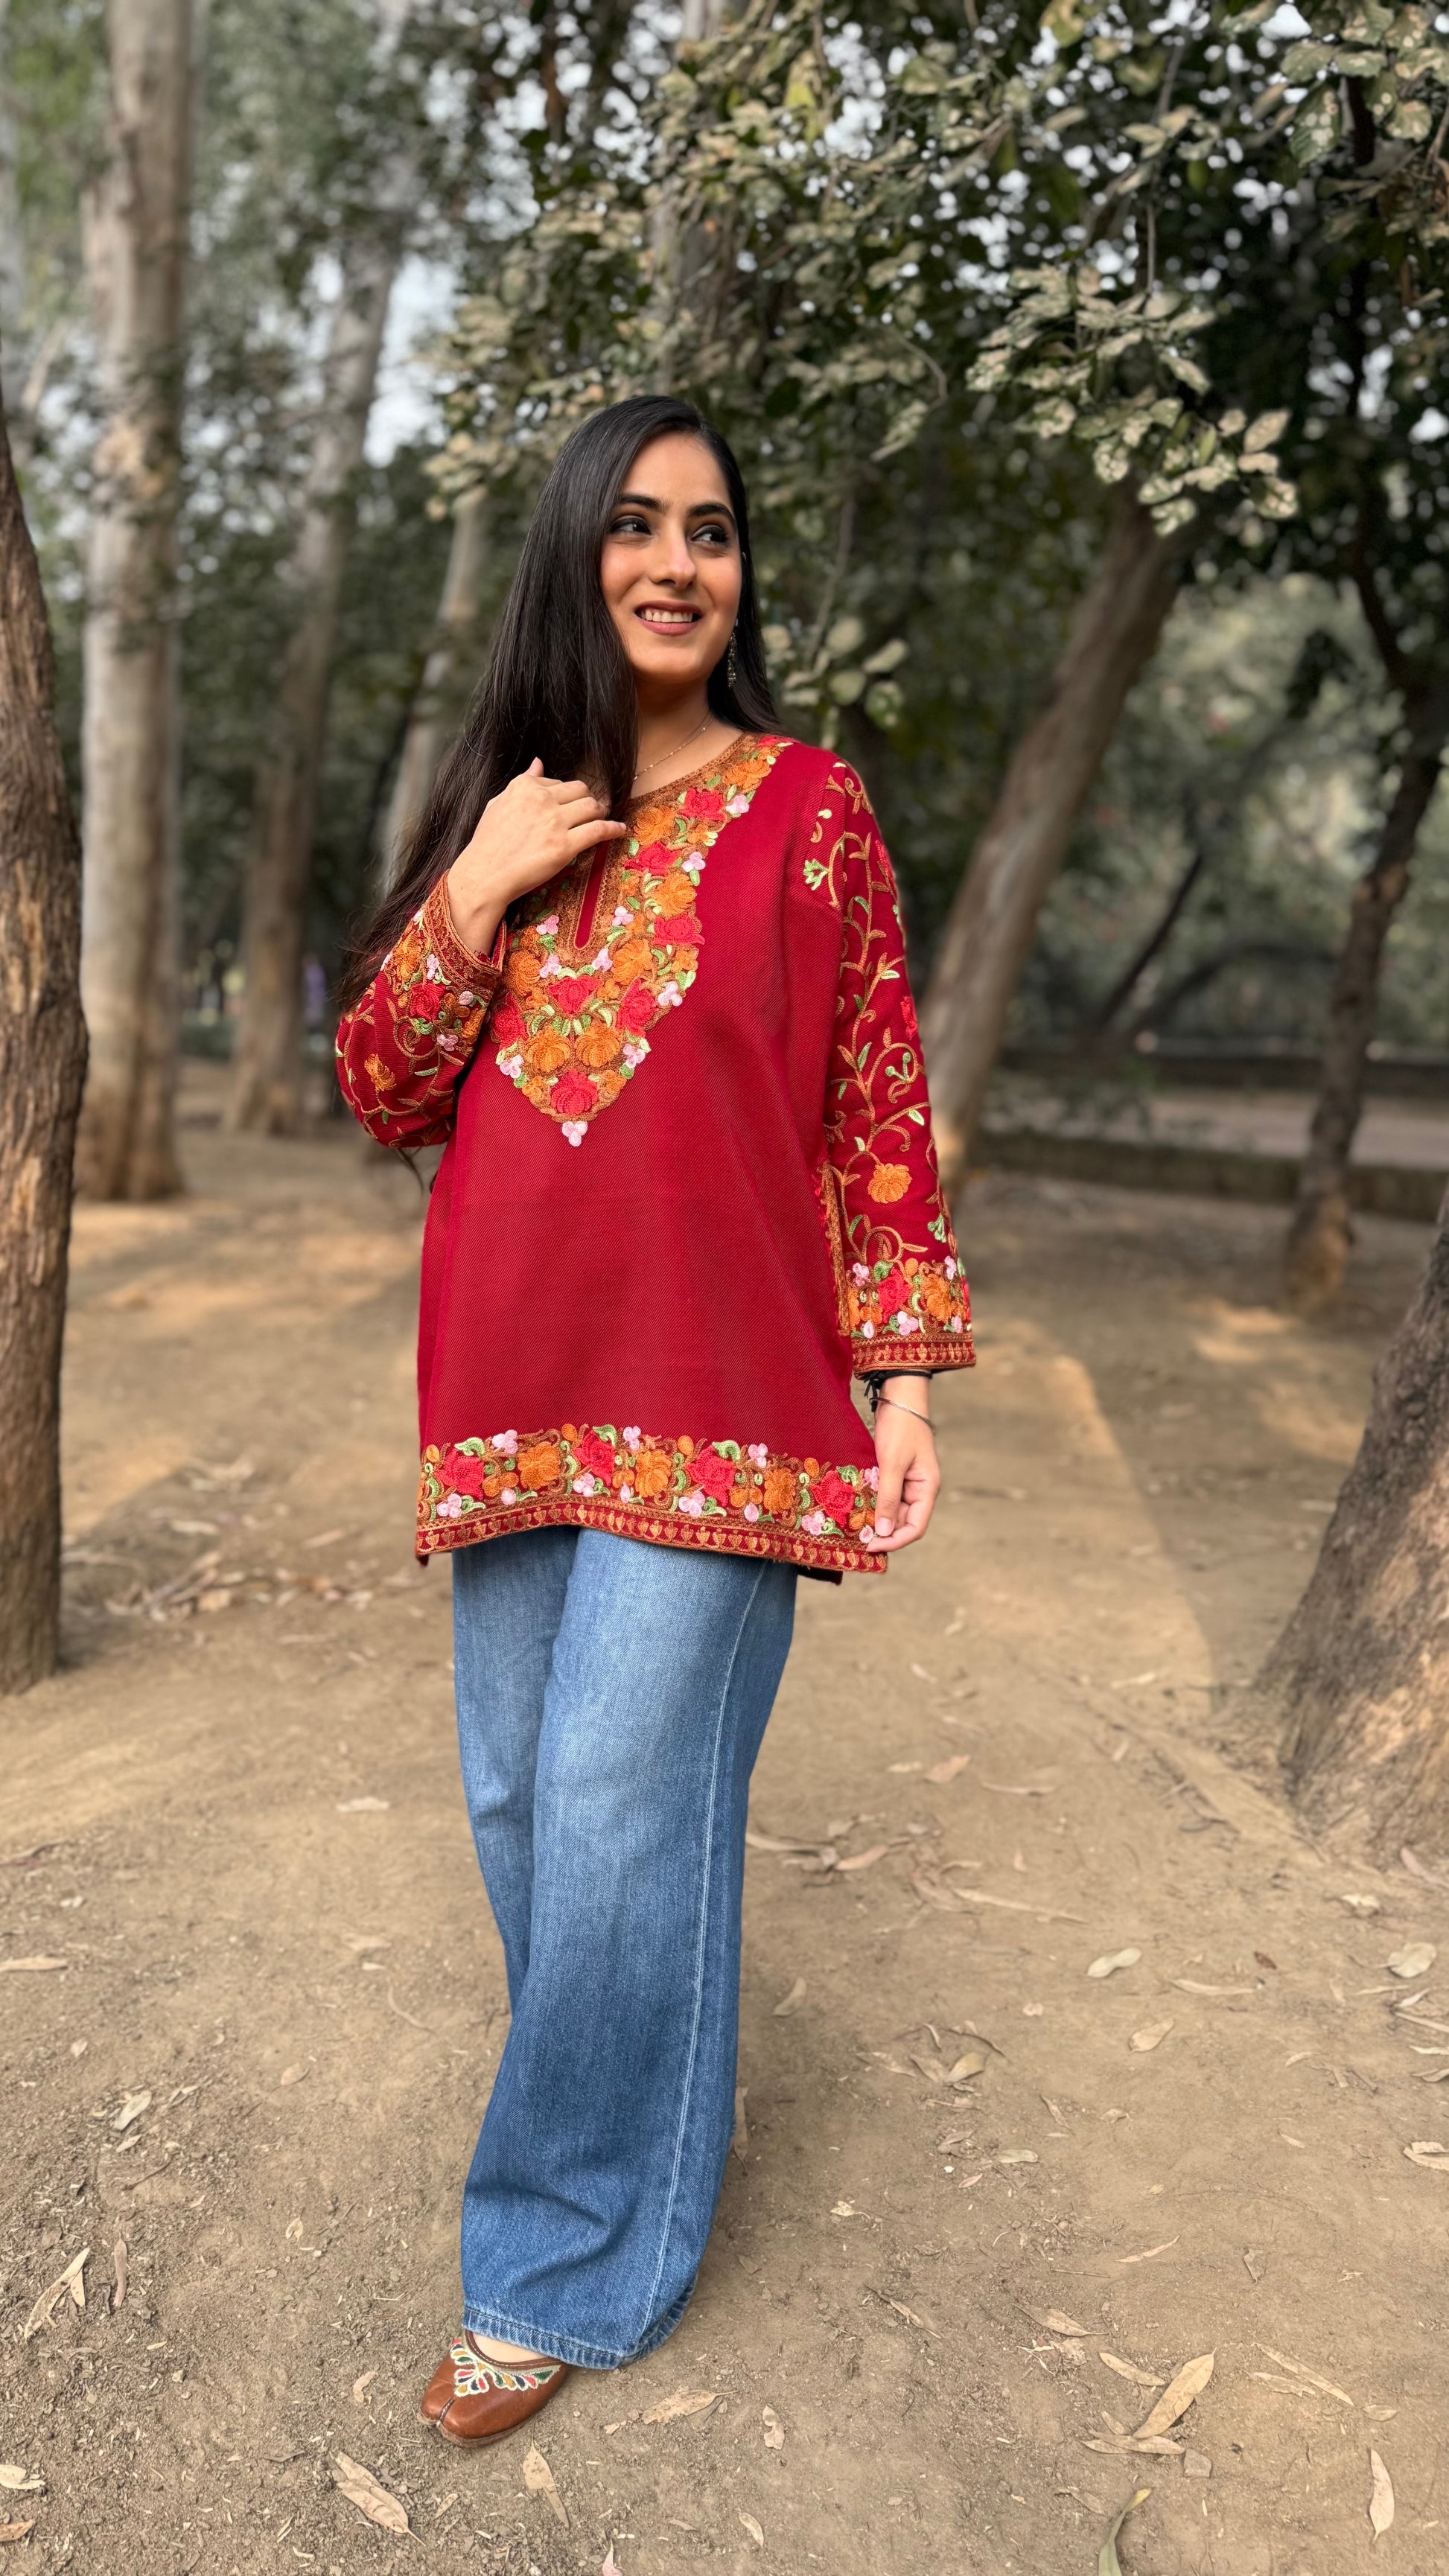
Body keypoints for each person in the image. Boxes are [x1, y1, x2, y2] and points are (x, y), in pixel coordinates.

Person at [334, 394, 973, 2447]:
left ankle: (558, 2258)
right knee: (528, 1811)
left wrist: (896, 1380)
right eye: (634, 523)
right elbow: (382, 1086)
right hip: (512, 1395)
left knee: (616, 1803)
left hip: (728, 1400)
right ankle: (641, 2115)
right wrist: (473, 893)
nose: (678, 560)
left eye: (709, 528)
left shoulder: (810, 809)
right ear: (572, 556)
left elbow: (877, 1106)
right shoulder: (503, 816)